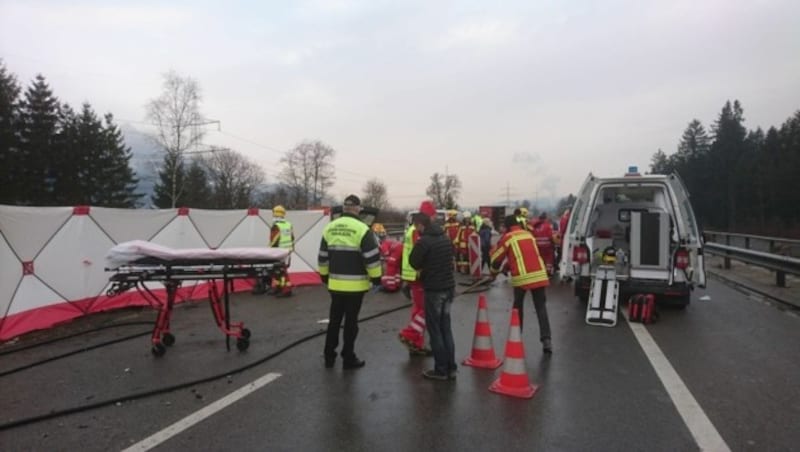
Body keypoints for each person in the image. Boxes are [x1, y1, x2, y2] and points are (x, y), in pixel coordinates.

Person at [318, 195, 382, 369]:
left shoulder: (330, 228)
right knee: (351, 323)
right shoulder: (362, 229)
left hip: (335, 285)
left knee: (334, 321)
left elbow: (322, 257)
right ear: (358, 209)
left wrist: (324, 276)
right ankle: (348, 357)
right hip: (356, 287)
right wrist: (376, 279)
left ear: (344, 208)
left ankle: (329, 356)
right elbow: (372, 259)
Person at [490, 215, 552, 353]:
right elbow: (521, 254)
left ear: (507, 227)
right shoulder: (528, 234)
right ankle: (546, 340)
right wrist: (507, 267)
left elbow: (496, 258)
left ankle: (516, 335)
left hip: (523, 277)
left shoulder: (508, 237)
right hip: (539, 275)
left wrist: (493, 273)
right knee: (541, 307)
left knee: (517, 307)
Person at [409, 210, 456, 380]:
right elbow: (452, 254)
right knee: (446, 329)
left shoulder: (424, 242)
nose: (416, 229)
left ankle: (441, 370)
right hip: (449, 289)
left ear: (421, 225)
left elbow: (413, 262)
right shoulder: (445, 238)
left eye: (416, 226)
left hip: (434, 290)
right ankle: (451, 368)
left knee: (435, 331)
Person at [398, 200, 437, 356]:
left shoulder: (412, 229)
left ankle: (416, 343)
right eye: (433, 216)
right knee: (426, 310)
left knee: (418, 309)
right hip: (418, 274)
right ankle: (409, 334)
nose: (434, 219)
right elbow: (421, 253)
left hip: (412, 274)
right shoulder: (418, 231)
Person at [270, 205, 294, 297]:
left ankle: (286, 290)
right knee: (280, 270)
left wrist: (271, 252)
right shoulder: (288, 224)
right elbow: (292, 238)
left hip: (278, 252)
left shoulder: (276, 226)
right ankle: (278, 287)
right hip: (287, 251)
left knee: (280, 271)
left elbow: (274, 240)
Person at [531, 212, 557, 277]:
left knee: (540, 259)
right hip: (547, 246)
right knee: (549, 259)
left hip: (537, 246)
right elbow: (550, 236)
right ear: (545, 218)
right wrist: (553, 243)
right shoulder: (547, 225)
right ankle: (548, 272)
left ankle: (540, 271)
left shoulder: (534, 226)